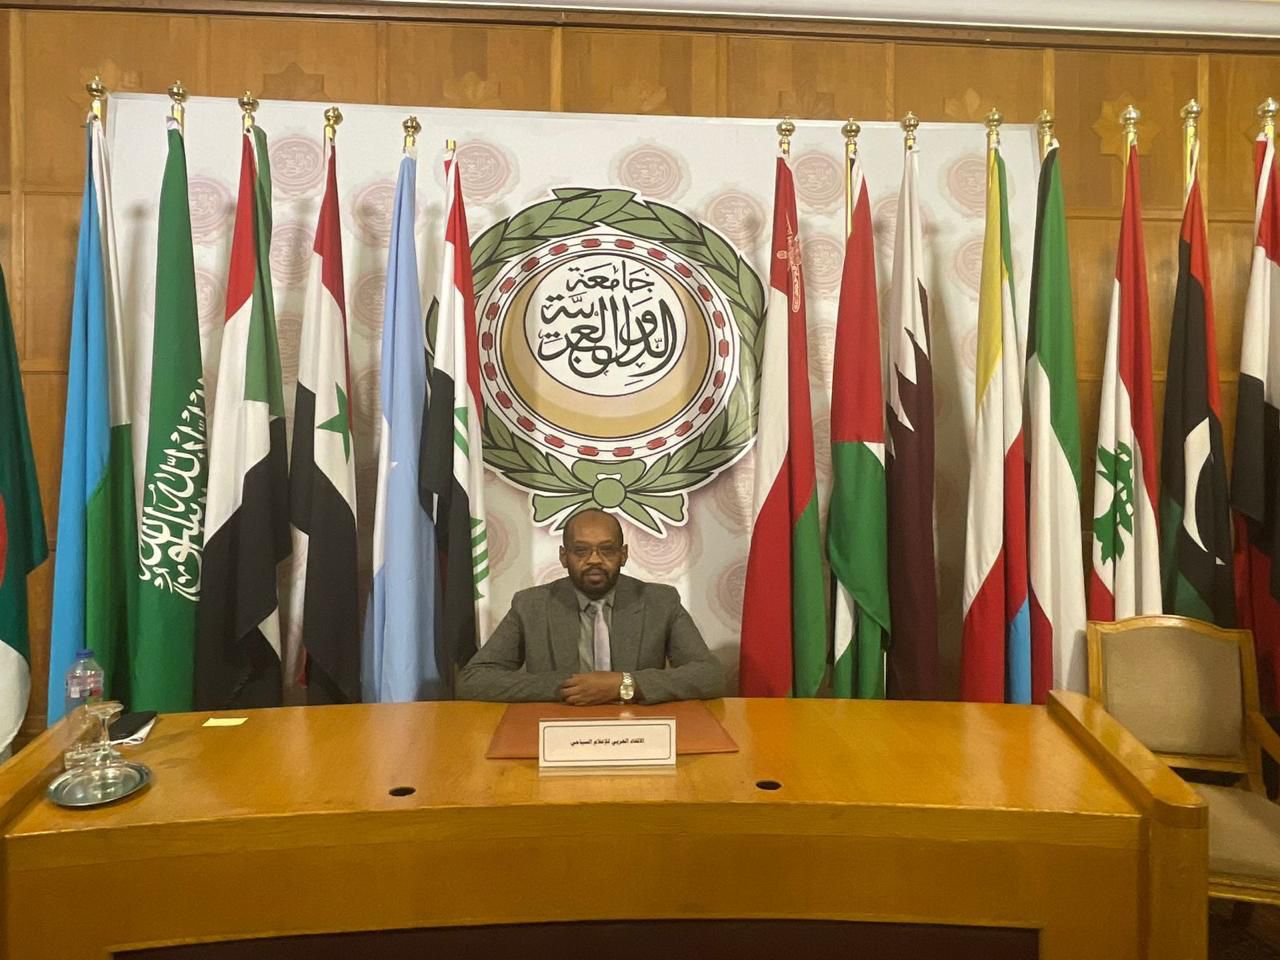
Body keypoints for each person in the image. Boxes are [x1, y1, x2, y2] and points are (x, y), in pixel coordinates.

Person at [457, 509, 725, 704]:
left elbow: (710, 676)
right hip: (556, 733)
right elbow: (473, 681)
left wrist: (624, 684)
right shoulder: (530, 605)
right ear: (564, 556)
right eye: (581, 550)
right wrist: (571, 688)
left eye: (607, 550)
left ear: (623, 555)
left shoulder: (660, 601)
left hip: (638, 732)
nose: (594, 560)